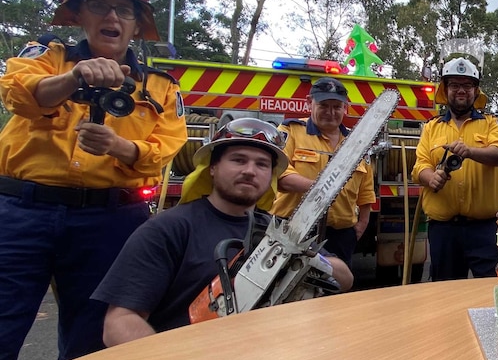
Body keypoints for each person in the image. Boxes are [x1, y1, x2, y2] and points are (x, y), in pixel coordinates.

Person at [0, 0, 188, 360]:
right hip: (21, 212)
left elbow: (168, 146)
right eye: (100, 6)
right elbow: (19, 95)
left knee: (91, 341)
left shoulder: (159, 86)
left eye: (124, 10)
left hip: (110, 218)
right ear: (79, 13)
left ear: (137, 25)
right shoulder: (47, 57)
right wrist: (75, 78)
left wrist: (122, 147)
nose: (113, 18)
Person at [92, 118, 353, 346]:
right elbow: (119, 322)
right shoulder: (170, 228)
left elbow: (344, 278)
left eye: (262, 165)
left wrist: (305, 258)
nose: (250, 171)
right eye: (238, 160)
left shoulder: (279, 232)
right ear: (212, 169)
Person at [412, 57, 498, 281]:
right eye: (454, 85)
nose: (461, 90)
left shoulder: (491, 123)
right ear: (445, 90)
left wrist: (470, 151)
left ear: (476, 90)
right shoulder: (431, 128)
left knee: (490, 291)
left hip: (484, 230)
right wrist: (430, 178)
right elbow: (419, 166)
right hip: (444, 231)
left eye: (467, 85)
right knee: (445, 296)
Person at [270, 78, 374, 271]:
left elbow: (366, 190)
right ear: (309, 102)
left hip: (341, 235)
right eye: (324, 105)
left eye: (336, 107)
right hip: (293, 230)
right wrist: (323, 188)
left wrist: (361, 225)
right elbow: (280, 174)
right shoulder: (290, 131)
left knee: (336, 291)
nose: (330, 112)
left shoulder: (357, 142)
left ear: (345, 108)